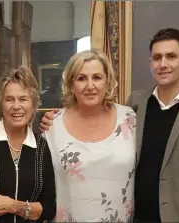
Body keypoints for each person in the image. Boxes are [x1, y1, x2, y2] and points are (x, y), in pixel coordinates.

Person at [40, 28, 179, 222]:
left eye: (171, 56)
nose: (163, 64)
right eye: (157, 58)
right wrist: (54, 119)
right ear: (150, 63)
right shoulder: (136, 106)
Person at [43, 49, 136, 222]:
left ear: (108, 82)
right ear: (71, 85)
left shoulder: (129, 118)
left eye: (97, 77)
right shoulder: (52, 125)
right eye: (81, 78)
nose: (90, 86)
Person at [0, 66, 56, 222]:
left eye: (23, 99)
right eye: (9, 99)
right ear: (1, 104)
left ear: (33, 105)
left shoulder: (41, 147)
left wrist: (13, 206)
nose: (16, 106)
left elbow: (49, 208)